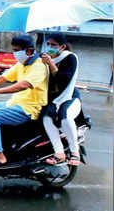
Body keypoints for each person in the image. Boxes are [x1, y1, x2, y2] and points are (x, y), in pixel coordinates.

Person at [0, 35, 49, 169]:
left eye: (17, 50)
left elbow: (23, 85)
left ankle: (0, 157)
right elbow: (1, 79)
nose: (15, 54)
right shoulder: (21, 64)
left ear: (29, 51)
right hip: (14, 104)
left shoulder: (40, 66)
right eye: (13, 50)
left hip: (29, 109)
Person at [40, 32, 82, 166]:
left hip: (68, 96)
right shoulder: (44, 58)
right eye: (48, 44)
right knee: (46, 116)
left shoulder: (70, 58)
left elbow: (64, 79)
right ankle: (59, 153)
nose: (50, 47)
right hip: (52, 97)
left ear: (62, 47)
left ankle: (75, 152)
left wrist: (51, 64)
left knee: (64, 115)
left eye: (54, 45)